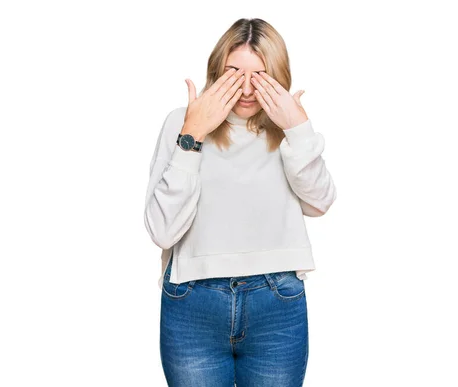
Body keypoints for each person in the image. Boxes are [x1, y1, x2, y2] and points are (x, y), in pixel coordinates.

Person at [144, 18, 337, 387]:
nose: (246, 89)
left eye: (260, 75)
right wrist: (192, 135)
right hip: (192, 302)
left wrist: (298, 129)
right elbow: (162, 230)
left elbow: (320, 202)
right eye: (234, 72)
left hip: (276, 303)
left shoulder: (289, 127)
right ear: (216, 71)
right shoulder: (182, 123)